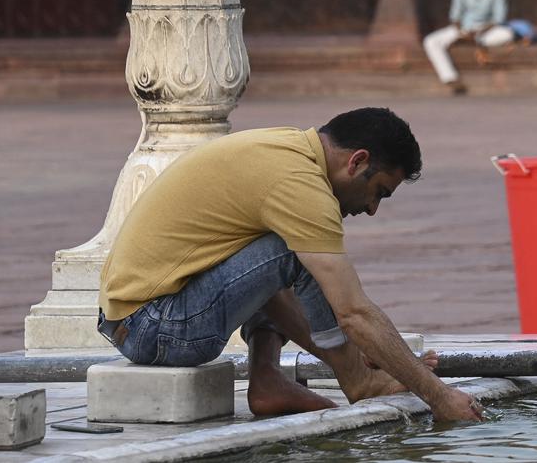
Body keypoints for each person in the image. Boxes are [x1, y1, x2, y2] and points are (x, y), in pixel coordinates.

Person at [97, 107, 484, 421]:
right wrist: (437, 394)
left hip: (136, 322)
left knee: (278, 245)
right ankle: (359, 380)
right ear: (357, 161)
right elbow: (353, 311)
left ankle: (267, 379)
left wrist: (384, 353)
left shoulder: (286, 149)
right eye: (378, 191)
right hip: (157, 329)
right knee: (290, 249)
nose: (371, 209)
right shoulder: (299, 186)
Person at [422, 0, 514, 95]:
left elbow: (499, 19)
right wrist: (461, 32)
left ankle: (477, 42)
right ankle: (450, 78)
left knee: (508, 34)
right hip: (465, 29)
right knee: (430, 41)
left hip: (487, 29)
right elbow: (455, 16)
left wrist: (479, 32)